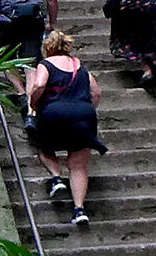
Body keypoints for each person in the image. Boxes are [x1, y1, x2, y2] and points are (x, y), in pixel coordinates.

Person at [26, 31, 104, 227]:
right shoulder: (80, 66)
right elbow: (96, 92)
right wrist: (86, 108)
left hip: (54, 112)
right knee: (78, 165)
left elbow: (39, 84)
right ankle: (79, 210)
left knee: (44, 147)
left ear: (48, 47)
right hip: (83, 114)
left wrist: (33, 104)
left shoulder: (46, 64)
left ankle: (56, 178)